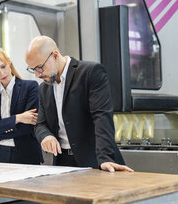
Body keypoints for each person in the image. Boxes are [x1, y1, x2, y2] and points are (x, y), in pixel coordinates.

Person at [25, 36, 133, 172]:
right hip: (62, 163)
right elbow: (40, 124)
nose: (36, 75)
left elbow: (102, 118)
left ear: (55, 55)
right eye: (32, 69)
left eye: (39, 68)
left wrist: (105, 158)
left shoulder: (90, 73)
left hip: (95, 160)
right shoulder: (44, 88)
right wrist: (45, 135)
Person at [0, 47, 43, 164]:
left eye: (3, 66)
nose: (2, 73)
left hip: (26, 154)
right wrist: (17, 118)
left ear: (9, 63)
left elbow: (28, 127)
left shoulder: (30, 87)